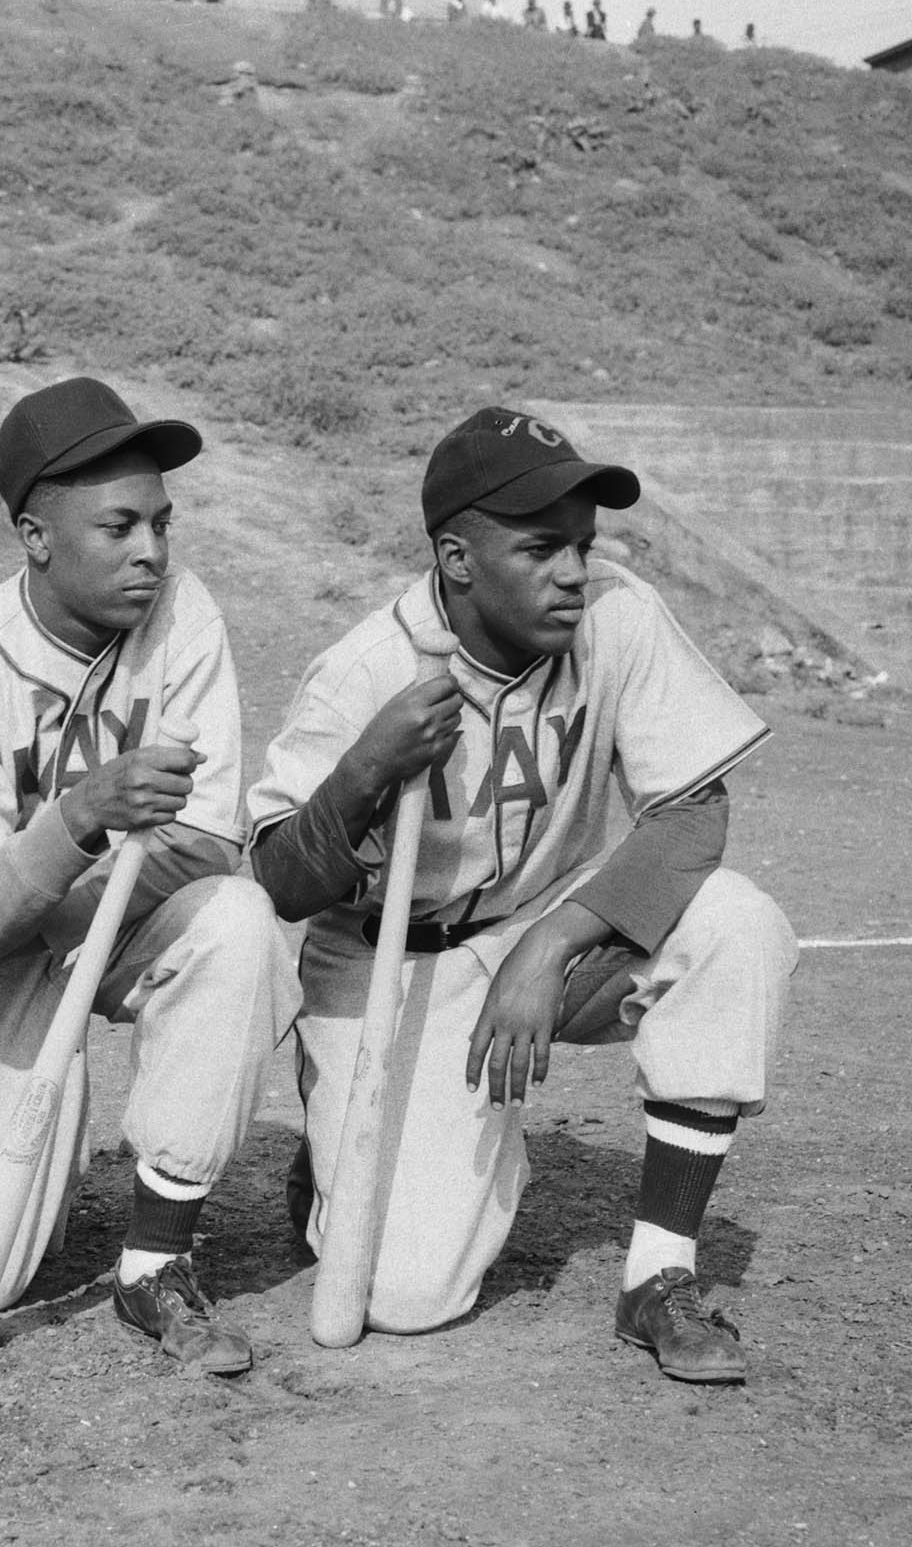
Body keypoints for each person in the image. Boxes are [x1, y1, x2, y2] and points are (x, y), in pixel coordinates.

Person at [246, 407, 798, 1376]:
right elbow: (283, 880)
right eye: (542, 549)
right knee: (406, 1299)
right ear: (458, 559)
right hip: (391, 956)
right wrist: (362, 773)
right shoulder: (368, 666)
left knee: (737, 923)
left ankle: (657, 1277)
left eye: (582, 546)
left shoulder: (616, 614)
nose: (575, 572)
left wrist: (549, 947)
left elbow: (693, 814)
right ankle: (343, 1153)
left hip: (545, 926)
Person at [0, 379, 298, 1374]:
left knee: (239, 923)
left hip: (123, 919)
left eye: (162, 524)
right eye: (118, 526)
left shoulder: (183, 614)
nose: (151, 552)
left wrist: (78, 877)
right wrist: (80, 817)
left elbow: (208, 844)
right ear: (35, 535)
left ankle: (156, 1262)